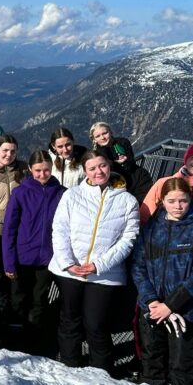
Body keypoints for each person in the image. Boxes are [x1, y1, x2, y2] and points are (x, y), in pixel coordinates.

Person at [131, 177, 193, 385]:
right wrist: (152, 301)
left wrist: (171, 305)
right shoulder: (150, 230)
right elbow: (138, 267)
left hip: (184, 313)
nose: (178, 206)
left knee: (183, 368)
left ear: (190, 200)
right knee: (152, 363)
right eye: (172, 201)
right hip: (154, 309)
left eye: (183, 200)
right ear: (162, 201)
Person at [49, 149, 139, 371]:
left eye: (103, 166)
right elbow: (60, 229)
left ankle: (101, 372)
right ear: (85, 171)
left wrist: (100, 264)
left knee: (96, 324)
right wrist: (68, 262)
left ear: (110, 166)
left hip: (104, 274)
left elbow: (128, 239)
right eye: (92, 168)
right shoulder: (72, 195)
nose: (98, 171)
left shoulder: (127, 200)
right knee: (70, 319)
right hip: (70, 271)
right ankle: (70, 365)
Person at [2, 149, 65, 357]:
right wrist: (9, 262)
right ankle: (14, 343)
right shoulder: (21, 192)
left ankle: (33, 344)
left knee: (39, 302)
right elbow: (9, 229)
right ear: (30, 169)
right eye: (38, 170)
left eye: (46, 170)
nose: (42, 174)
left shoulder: (62, 192)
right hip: (22, 257)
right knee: (19, 301)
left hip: (47, 259)